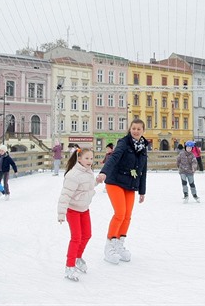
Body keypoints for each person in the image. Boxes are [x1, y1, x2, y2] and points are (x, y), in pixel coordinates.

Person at [96, 119, 147, 264]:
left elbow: (143, 170)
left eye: (139, 129)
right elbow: (114, 158)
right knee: (120, 214)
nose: (136, 131)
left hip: (130, 184)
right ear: (130, 129)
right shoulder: (123, 143)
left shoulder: (143, 147)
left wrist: (142, 191)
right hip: (115, 181)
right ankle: (109, 246)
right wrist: (104, 172)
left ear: (143, 131)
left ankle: (119, 244)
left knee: (127, 216)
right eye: (134, 128)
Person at [57, 147, 97, 281]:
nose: (90, 161)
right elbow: (65, 195)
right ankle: (69, 266)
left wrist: (97, 181)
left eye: (91, 158)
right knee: (76, 237)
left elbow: (87, 187)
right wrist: (61, 213)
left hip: (84, 209)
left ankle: (78, 257)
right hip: (73, 210)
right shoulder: (73, 175)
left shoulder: (89, 172)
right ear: (79, 159)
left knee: (87, 235)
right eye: (87, 158)